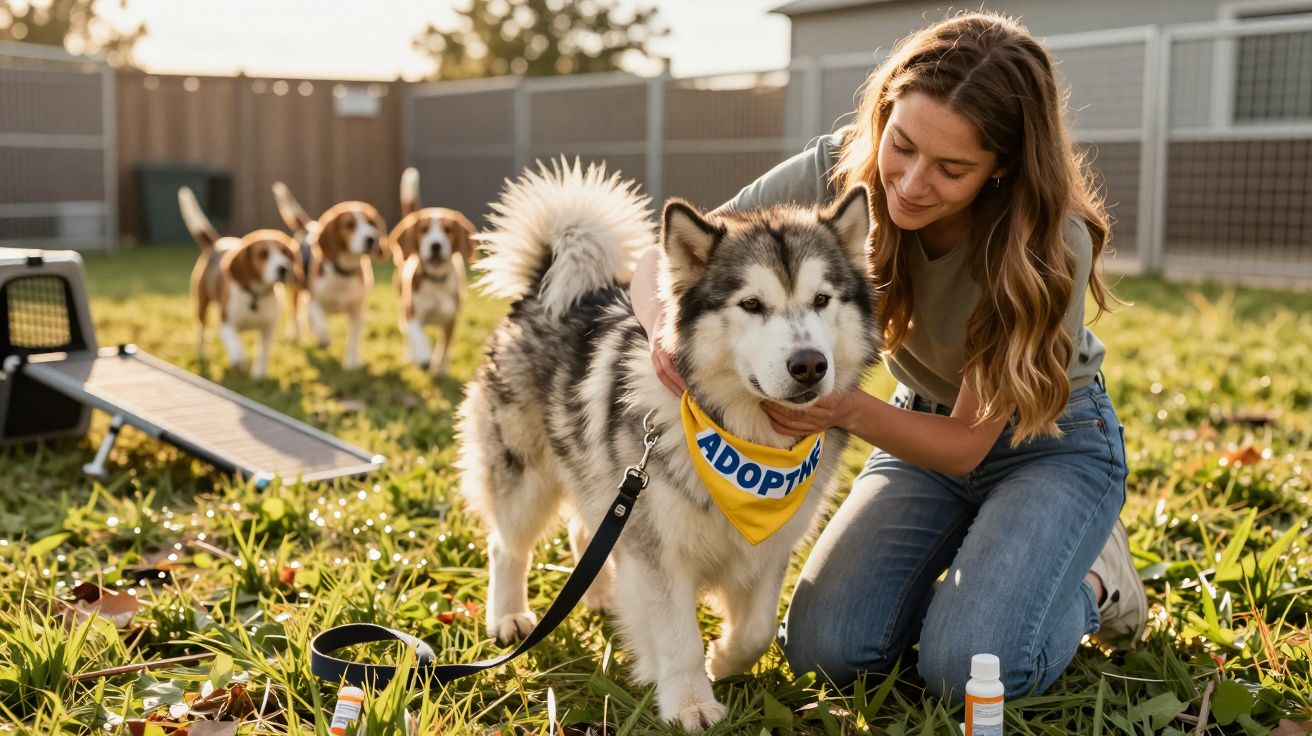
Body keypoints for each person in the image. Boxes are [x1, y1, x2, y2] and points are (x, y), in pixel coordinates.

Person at [628, 11, 1147, 702]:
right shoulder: (842, 167)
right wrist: (668, 330)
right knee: (825, 650)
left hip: (1049, 443)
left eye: (952, 168)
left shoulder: (1048, 244)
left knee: (968, 670)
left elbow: (966, 445)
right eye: (903, 144)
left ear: (1002, 169)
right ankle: (995, 564)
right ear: (886, 117)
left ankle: (1095, 579)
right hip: (909, 427)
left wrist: (837, 406)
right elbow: (658, 260)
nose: (909, 183)